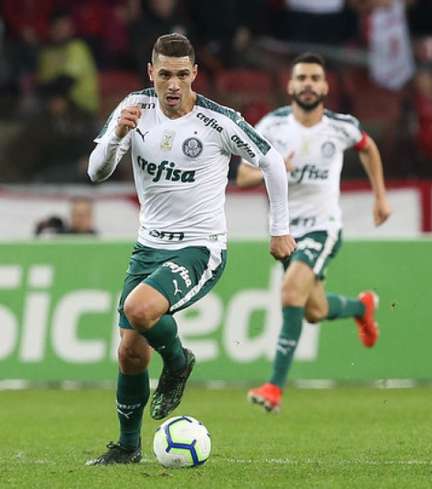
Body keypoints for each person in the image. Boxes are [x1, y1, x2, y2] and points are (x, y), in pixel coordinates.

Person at [85, 33, 295, 465]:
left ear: (195, 74)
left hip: (200, 249)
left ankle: (178, 363)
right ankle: (127, 447)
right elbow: (96, 172)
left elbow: (271, 161)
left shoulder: (218, 122)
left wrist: (279, 230)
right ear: (151, 74)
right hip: (147, 249)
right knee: (129, 353)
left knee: (140, 310)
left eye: (182, 74)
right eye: (165, 74)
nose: (174, 84)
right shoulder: (134, 109)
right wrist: (116, 137)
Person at [236, 52, 391, 413]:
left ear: (325, 86)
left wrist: (380, 197)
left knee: (290, 293)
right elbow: (243, 176)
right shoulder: (271, 127)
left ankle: (274, 388)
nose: (308, 84)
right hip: (285, 232)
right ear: (289, 86)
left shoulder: (341, 126)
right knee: (314, 311)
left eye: (314, 78)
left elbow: (368, 149)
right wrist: (273, 169)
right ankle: (360, 307)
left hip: (324, 227)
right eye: (301, 78)